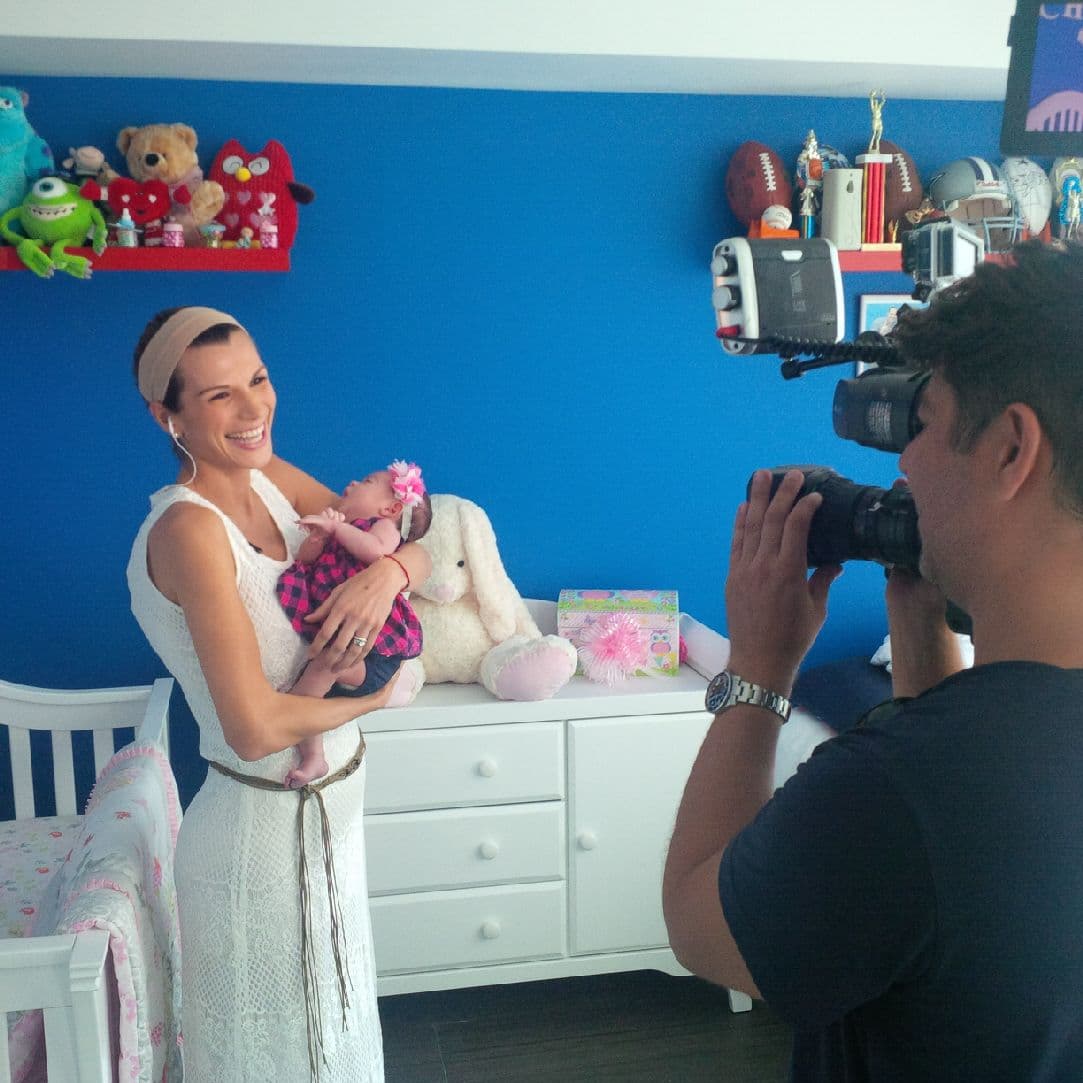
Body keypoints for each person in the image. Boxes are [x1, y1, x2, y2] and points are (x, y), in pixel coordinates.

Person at [663, 240, 1083, 1081]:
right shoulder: (956, 771)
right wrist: (921, 625)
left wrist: (757, 671)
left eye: (920, 425)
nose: (902, 465)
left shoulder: (891, 791)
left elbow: (698, 921)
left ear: (1010, 448)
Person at [126, 306, 431, 1082]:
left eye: (257, 378)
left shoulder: (270, 481)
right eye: (220, 395)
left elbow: (415, 538)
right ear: (168, 416)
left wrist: (386, 574)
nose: (255, 407)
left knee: (341, 1030)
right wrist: (379, 695)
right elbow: (256, 728)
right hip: (256, 836)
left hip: (335, 812)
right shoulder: (188, 531)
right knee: (272, 1056)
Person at [278, 461, 431, 788]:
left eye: (366, 480)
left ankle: (308, 748)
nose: (351, 482)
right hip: (352, 645)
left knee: (315, 676)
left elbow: (376, 553)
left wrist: (336, 530)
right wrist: (319, 537)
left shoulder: (381, 528)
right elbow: (305, 560)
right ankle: (314, 757)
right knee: (314, 677)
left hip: (375, 655)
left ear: (390, 507)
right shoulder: (345, 527)